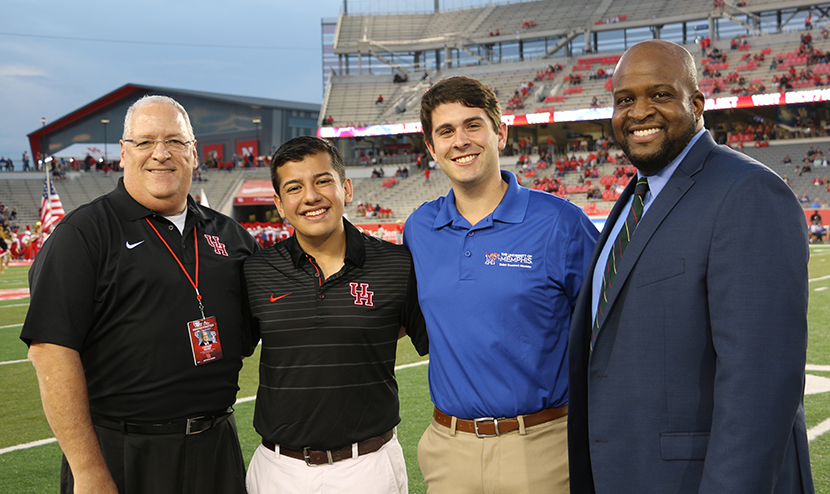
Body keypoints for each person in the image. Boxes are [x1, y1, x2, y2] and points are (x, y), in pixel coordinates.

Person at [568, 39, 813, 493]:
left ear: (697, 104)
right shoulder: (637, 196)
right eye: (625, 100)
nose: (639, 112)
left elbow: (760, 386)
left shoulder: (748, 192)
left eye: (660, 95)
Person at [21, 95, 260, 494]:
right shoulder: (84, 234)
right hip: (122, 451)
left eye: (175, 141)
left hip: (216, 445)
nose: (161, 154)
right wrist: (88, 470)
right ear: (123, 152)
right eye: (145, 141)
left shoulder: (231, 236)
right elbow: (51, 351)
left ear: (194, 153)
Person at [404, 75, 598, 493]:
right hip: (448, 450)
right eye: (446, 131)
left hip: (540, 447)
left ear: (500, 133)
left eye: (473, 125)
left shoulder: (561, 224)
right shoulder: (419, 228)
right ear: (431, 147)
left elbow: (611, 330)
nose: (461, 141)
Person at [243, 136, 428, 494]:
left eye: (322, 181)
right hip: (278, 470)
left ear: (346, 187)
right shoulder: (256, 270)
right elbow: (237, 350)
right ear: (280, 205)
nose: (311, 196)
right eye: (294, 187)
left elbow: (423, 339)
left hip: (369, 466)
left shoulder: (396, 264)